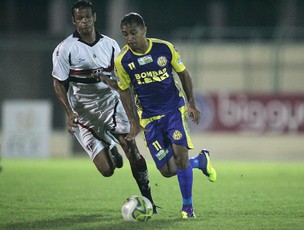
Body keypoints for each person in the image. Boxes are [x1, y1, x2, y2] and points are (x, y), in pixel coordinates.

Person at [51, 1, 157, 213]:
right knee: (108, 170)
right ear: (74, 21)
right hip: (84, 113)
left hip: (111, 105)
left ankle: (149, 201)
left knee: (132, 149)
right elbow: (58, 83)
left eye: (87, 17)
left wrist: (131, 110)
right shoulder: (65, 49)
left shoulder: (110, 45)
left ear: (94, 18)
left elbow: (121, 81)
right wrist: (69, 112)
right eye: (79, 18)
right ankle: (109, 147)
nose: (84, 21)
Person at [113, 12, 217, 219]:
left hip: (173, 111)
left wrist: (191, 103)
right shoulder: (123, 60)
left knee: (180, 157)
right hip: (150, 119)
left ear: (144, 30)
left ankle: (187, 207)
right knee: (168, 170)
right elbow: (124, 90)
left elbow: (183, 73)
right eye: (125, 34)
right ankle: (201, 162)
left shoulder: (164, 48)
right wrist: (134, 123)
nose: (130, 38)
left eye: (134, 33)